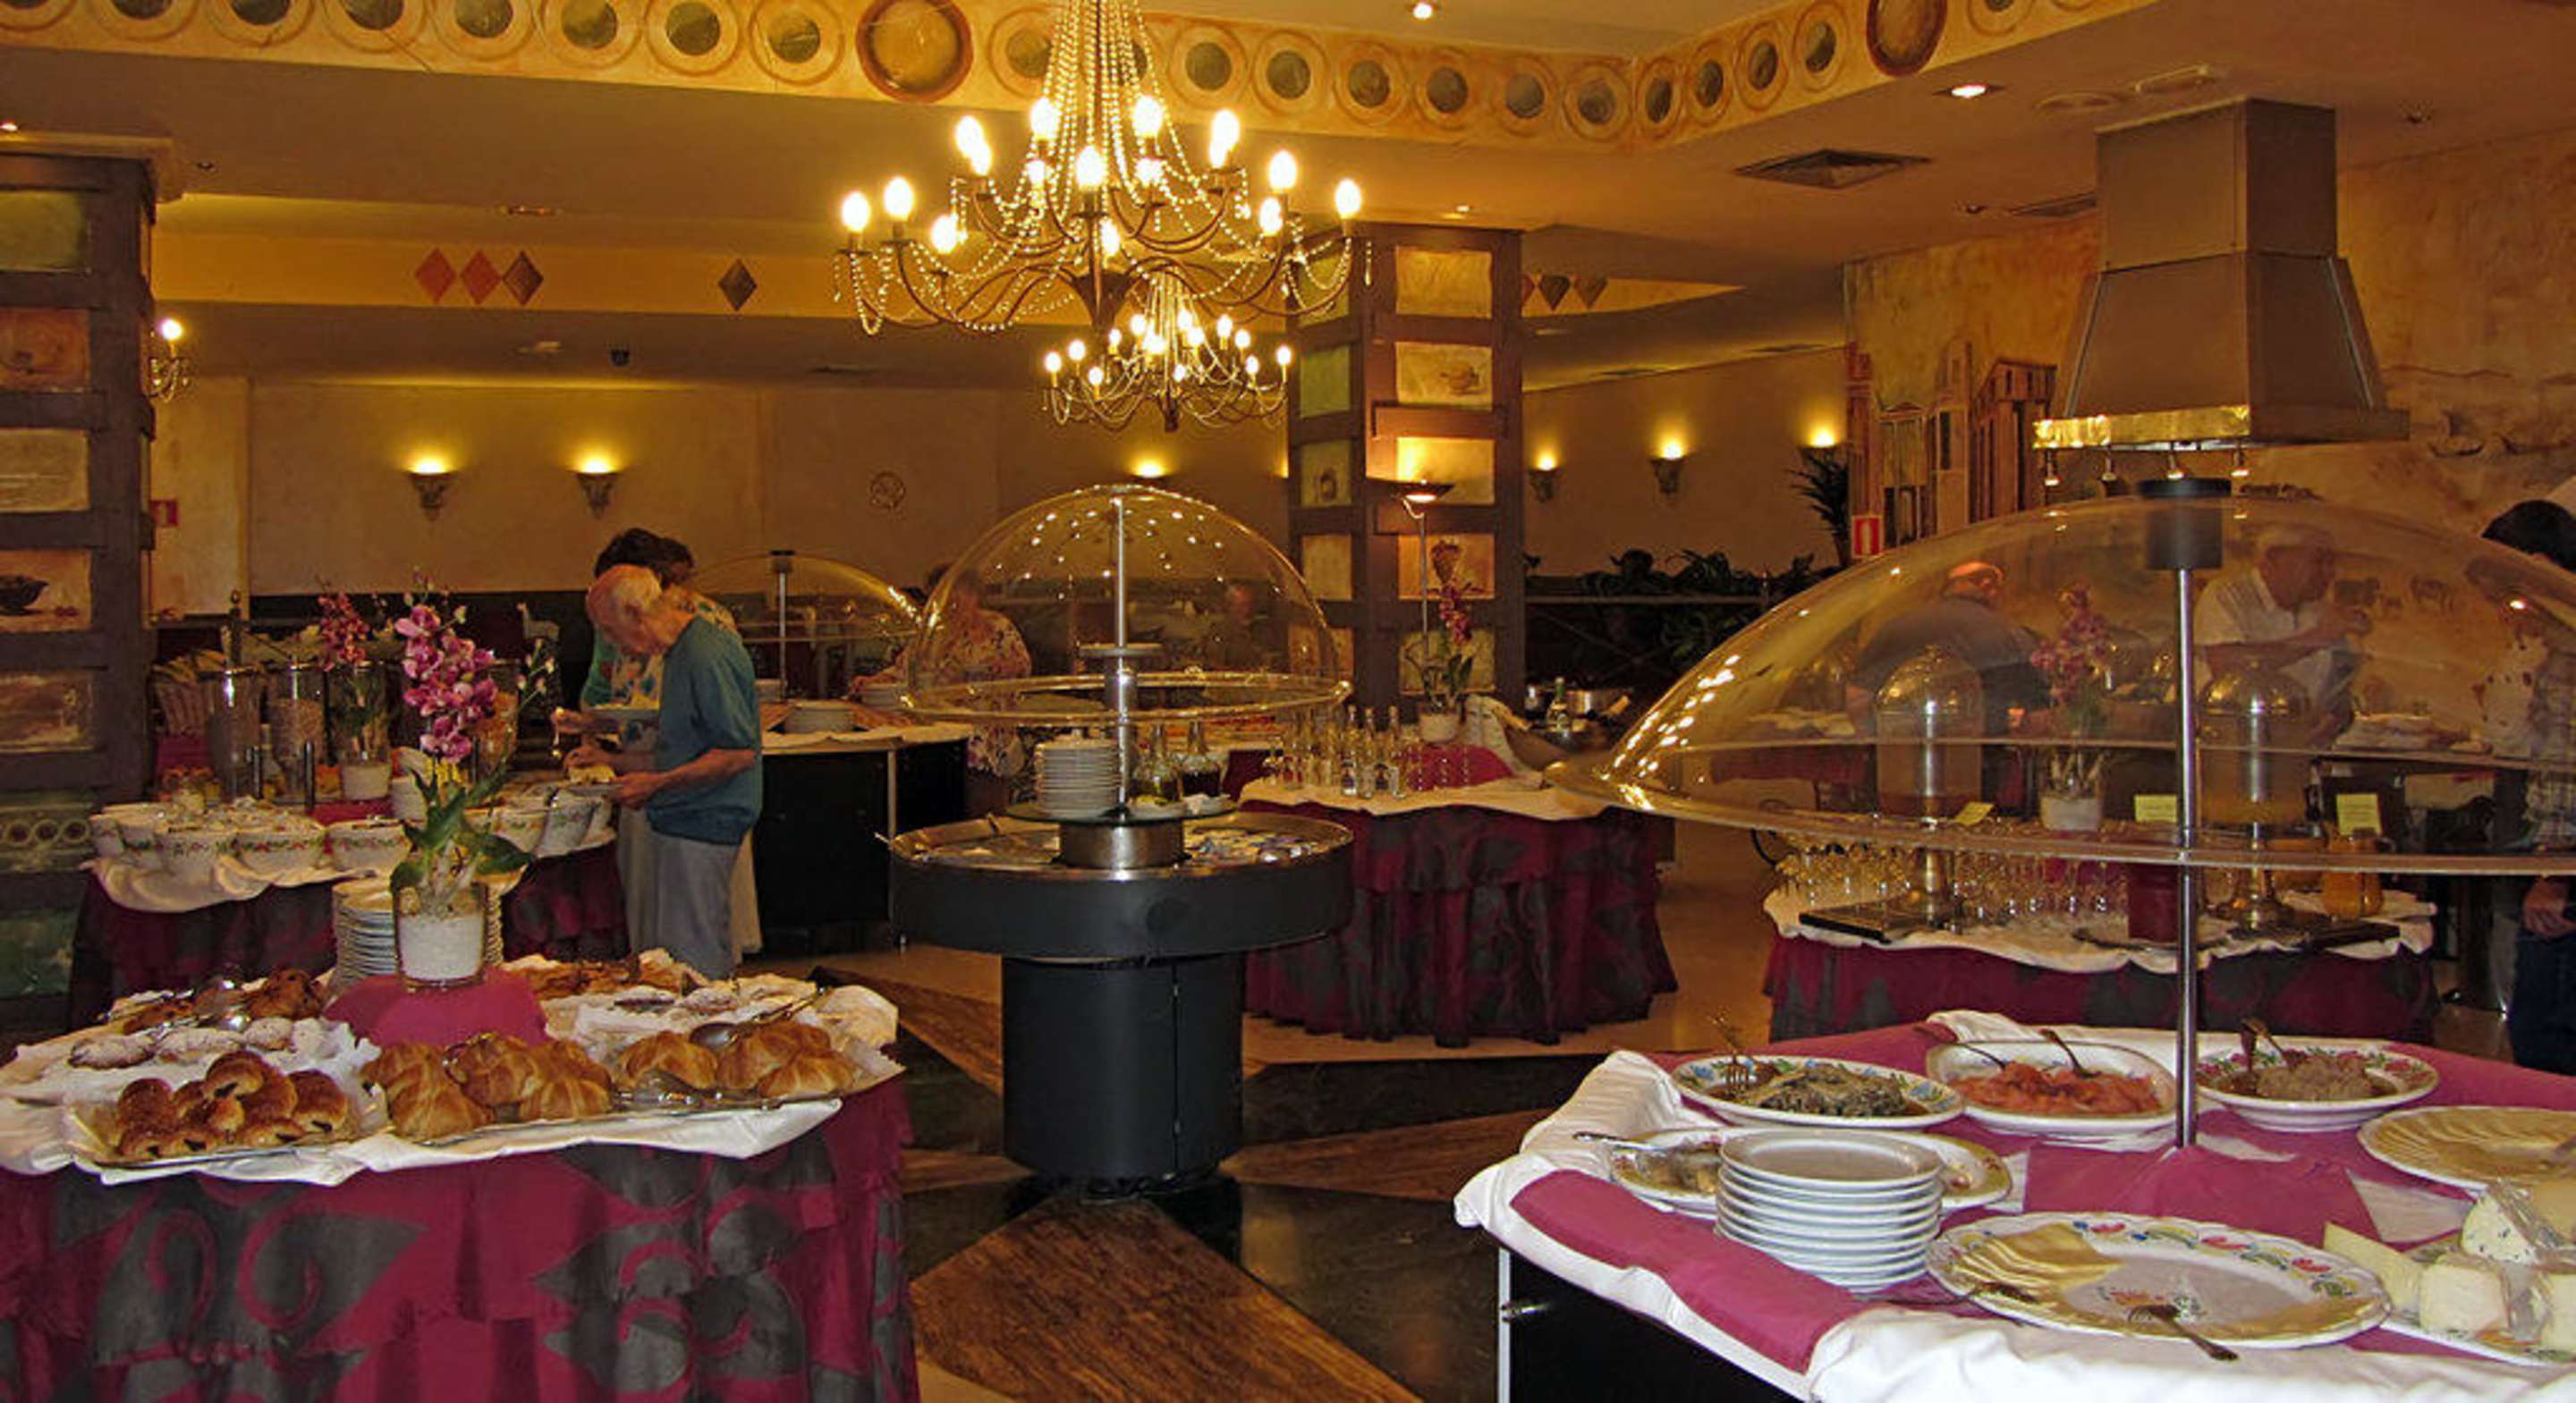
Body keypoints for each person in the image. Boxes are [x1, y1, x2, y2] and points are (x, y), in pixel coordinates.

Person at [568, 566, 760, 978]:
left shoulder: (705, 653)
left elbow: (737, 753)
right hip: (681, 819)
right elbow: (680, 748)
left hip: (705, 821)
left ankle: (711, 1019)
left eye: (610, 630)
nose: (611, 643)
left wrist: (656, 784)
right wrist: (609, 759)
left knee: (694, 958)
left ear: (636, 613)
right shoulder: (677, 654)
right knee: (674, 956)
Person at [2479, 501, 2576, 1071]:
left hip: (2563, 877)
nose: (2505, 611)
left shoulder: (2568, 657)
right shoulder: (2553, 651)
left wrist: (2557, 879)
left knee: (2547, 1042)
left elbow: (2567, 778)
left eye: (2507, 595)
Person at [855, 565, 1031, 815]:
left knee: (974, 746)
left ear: (976, 595)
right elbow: (906, 667)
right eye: (949, 597)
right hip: (940, 714)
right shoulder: (934, 631)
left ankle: (979, 813)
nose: (957, 604)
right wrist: (873, 681)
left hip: (988, 719)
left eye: (964, 594)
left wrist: (995, 668)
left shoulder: (998, 626)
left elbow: (1023, 665)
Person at [2193, 524, 2368, 740]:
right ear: (2272, 560)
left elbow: (2337, 691)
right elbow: (2228, 669)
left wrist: (2337, 717)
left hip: (2298, 746)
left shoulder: (2320, 610)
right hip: (2230, 742)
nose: (2330, 573)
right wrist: (2318, 637)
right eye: (2318, 561)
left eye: (2332, 563)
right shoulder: (2226, 596)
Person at [1844, 560, 2047, 733]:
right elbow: (2040, 716)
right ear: (1988, 586)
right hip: (1983, 757)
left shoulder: (1898, 627)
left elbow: (1858, 697)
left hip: (1902, 755)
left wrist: (1878, 745)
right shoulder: (2011, 634)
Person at [1199, 580, 1272, 672]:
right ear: (1230, 607)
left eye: (1250, 604)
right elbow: (1214, 665)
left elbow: (1267, 658)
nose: (1247, 610)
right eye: (1242, 605)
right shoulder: (1220, 632)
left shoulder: (1260, 631)